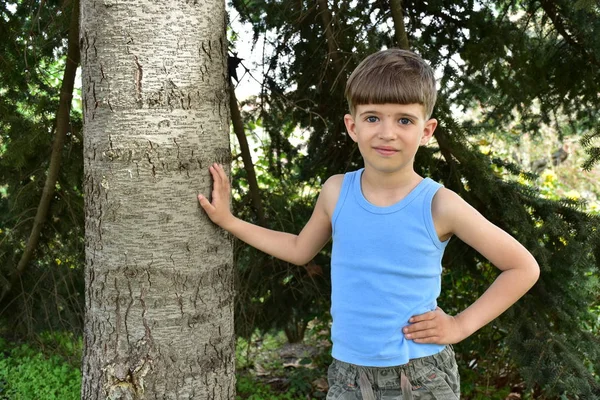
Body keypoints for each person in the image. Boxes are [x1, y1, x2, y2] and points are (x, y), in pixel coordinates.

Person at [197, 49, 540, 399]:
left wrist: (459, 325)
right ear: (352, 126)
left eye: (404, 120)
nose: (387, 133)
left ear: (427, 131)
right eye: (373, 118)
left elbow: (522, 267)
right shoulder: (336, 191)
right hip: (348, 375)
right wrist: (229, 221)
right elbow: (299, 250)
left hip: (420, 374)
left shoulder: (439, 204)